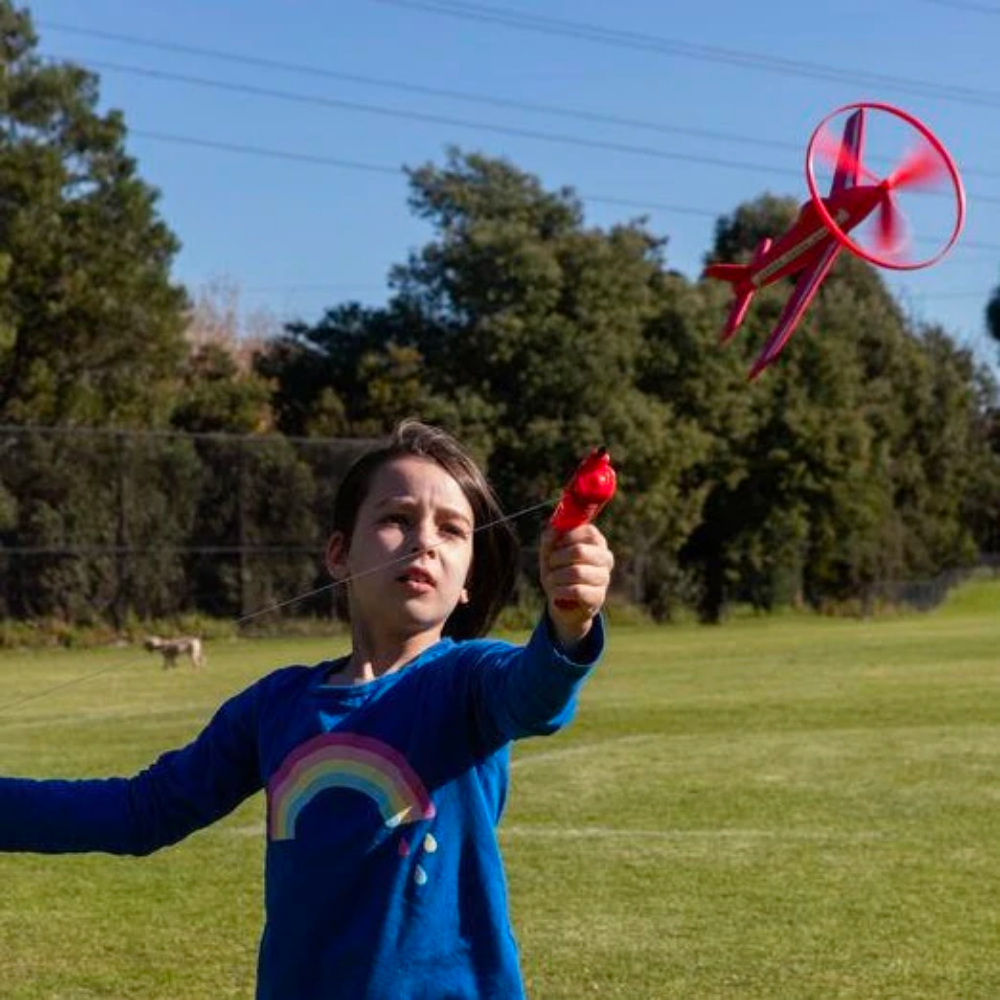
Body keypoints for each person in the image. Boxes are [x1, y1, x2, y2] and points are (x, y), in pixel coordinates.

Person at [0, 419, 614, 999]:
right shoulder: (276, 705)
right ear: (339, 554)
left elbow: (535, 694)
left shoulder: (468, 681)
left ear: (470, 578)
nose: (425, 541)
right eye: (398, 518)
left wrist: (568, 623)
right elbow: (142, 811)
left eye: (452, 530)